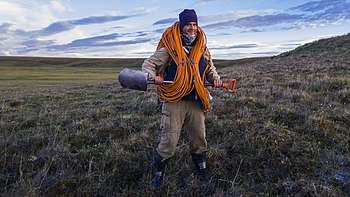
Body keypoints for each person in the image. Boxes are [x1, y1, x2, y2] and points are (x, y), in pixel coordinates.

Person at [142, 9, 222, 190]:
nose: (192, 28)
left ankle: (202, 172)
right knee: (169, 141)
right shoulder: (170, 48)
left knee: (199, 139)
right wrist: (152, 76)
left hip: (195, 101)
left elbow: (210, 68)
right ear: (181, 26)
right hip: (174, 101)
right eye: (188, 24)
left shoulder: (202, 47)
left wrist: (215, 79)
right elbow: (149, 64)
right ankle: (158, 175)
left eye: (194, 24)